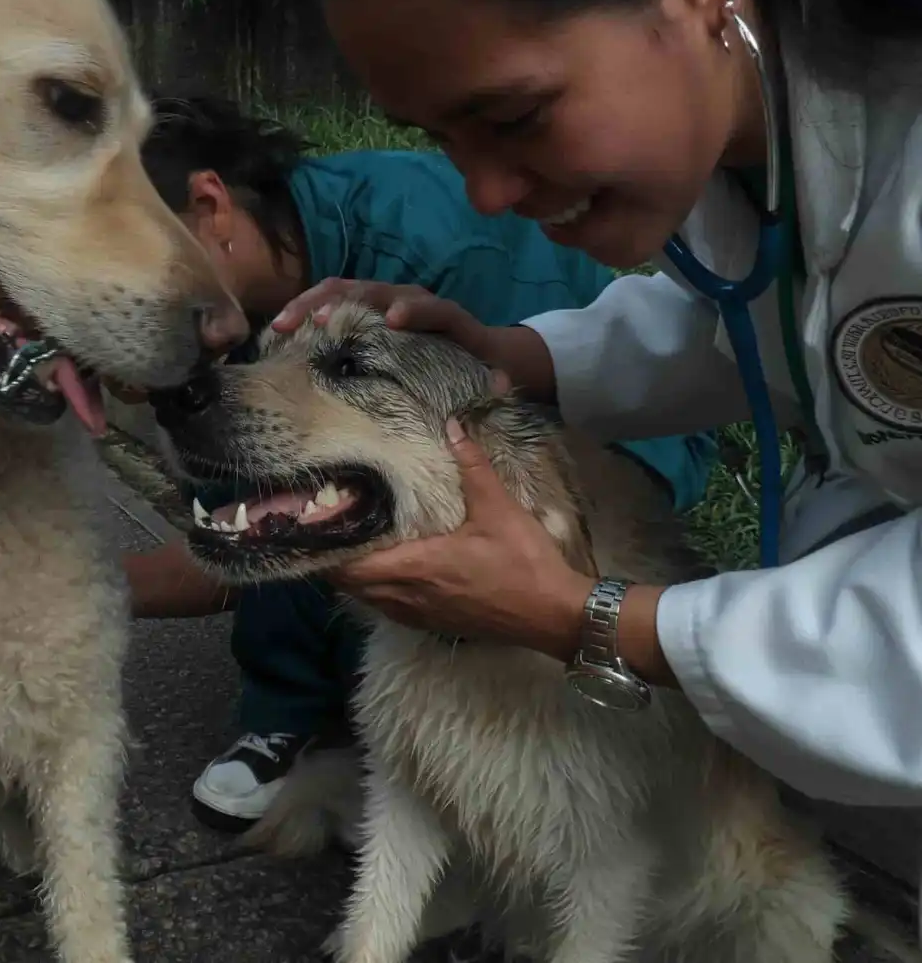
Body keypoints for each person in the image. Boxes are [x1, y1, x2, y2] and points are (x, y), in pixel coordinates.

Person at [269, 0, 922, 812]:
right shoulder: (757, 119)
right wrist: (515, 358)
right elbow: (758, 301)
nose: (485, 194)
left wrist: (586, 615)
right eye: (442, 138)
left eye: (516, 115)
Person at [121, 94, 719, 830]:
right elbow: (254, 512)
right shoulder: (254, 277)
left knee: (377, 510)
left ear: (209, 205)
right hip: (464, 419)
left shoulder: (446, 260)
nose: (113, 313)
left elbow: (532, 470)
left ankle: (506, 756)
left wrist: (90, 592)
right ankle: (291, 706)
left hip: (612, 448)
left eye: (118, 280)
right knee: (302, 483)